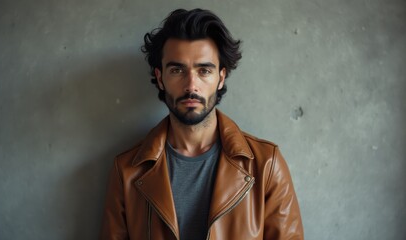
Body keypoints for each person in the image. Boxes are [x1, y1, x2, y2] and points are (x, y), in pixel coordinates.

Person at [101, 8, 303, 240]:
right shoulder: (126, 171)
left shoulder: (266, 165)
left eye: (204, 70)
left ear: (221, 77)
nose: (191, 85)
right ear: (160, 78)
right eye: (177, 70)